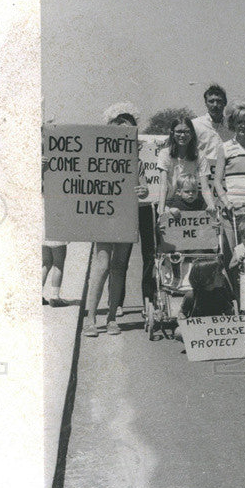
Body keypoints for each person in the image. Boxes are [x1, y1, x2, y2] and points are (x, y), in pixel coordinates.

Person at [82, 103, 150, 337]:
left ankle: (112, 318)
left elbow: (144, 188)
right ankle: (91, 318)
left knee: (119, 266)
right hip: (104, 217)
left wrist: (142, 192)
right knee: (101, 266)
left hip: (126, 217)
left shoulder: (137, 162)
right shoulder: (99, 159)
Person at [157, 116, 207, 214]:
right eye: (179, 132)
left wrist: (211, 205)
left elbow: (205, 187)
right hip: (170, 202)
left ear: (192, 133)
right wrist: (161, 209)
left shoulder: (199, 154)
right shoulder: (164, 153)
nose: (182, 135)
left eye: (186, 131)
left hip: (192, 201)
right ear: (172, 133)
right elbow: (163, 185)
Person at [192, 84, 233, 192]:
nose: (215, 105)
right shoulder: (195, 125)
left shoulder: (233, 127)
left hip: (226, 178)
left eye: (219, 101)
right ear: (206, 103)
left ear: (225, 103)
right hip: (201, 178)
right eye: (211, 101)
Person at [41, 240, 67, 307]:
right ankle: (55, 297)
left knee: (46, 264)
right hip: (58, 237)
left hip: (45, 236)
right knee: (58, 265)